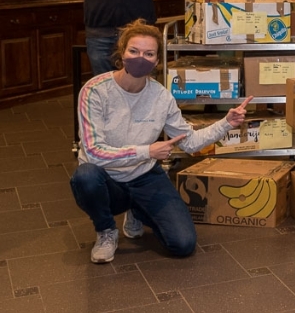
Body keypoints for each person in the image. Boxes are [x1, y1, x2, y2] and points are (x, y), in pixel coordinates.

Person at [71, 19, 253, 264]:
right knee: (85, 175)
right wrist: (147, 150)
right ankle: (106, 230)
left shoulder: (161, 96)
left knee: (182, 244)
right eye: (133, 51)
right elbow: (93, 152)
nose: (140, 58)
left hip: (144, 176)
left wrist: (226, 123)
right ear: (121, 53)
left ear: (157, 61)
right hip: (106, 178)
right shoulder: (95, 91)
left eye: (148, 54)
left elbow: (189, 142)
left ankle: (137, 209)